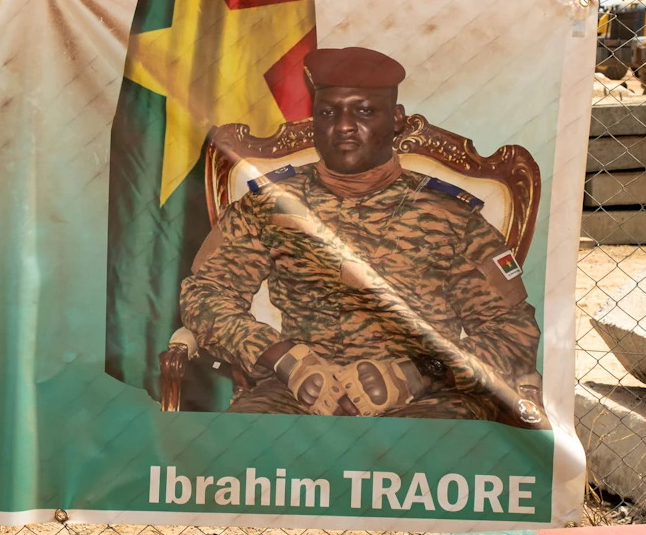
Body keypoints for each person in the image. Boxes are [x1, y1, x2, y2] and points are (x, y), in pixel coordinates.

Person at [178, 46, 546, 428]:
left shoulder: (451, 216)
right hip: (299, 392)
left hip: (429, 399)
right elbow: (205, 295)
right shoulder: (269, 205)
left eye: (364, 111)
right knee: (242, 444)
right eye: (328, 113)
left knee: (432, 449)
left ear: (397, 119)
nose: (344, 126)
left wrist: (420, 372)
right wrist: (282, 357)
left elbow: (513, 332)